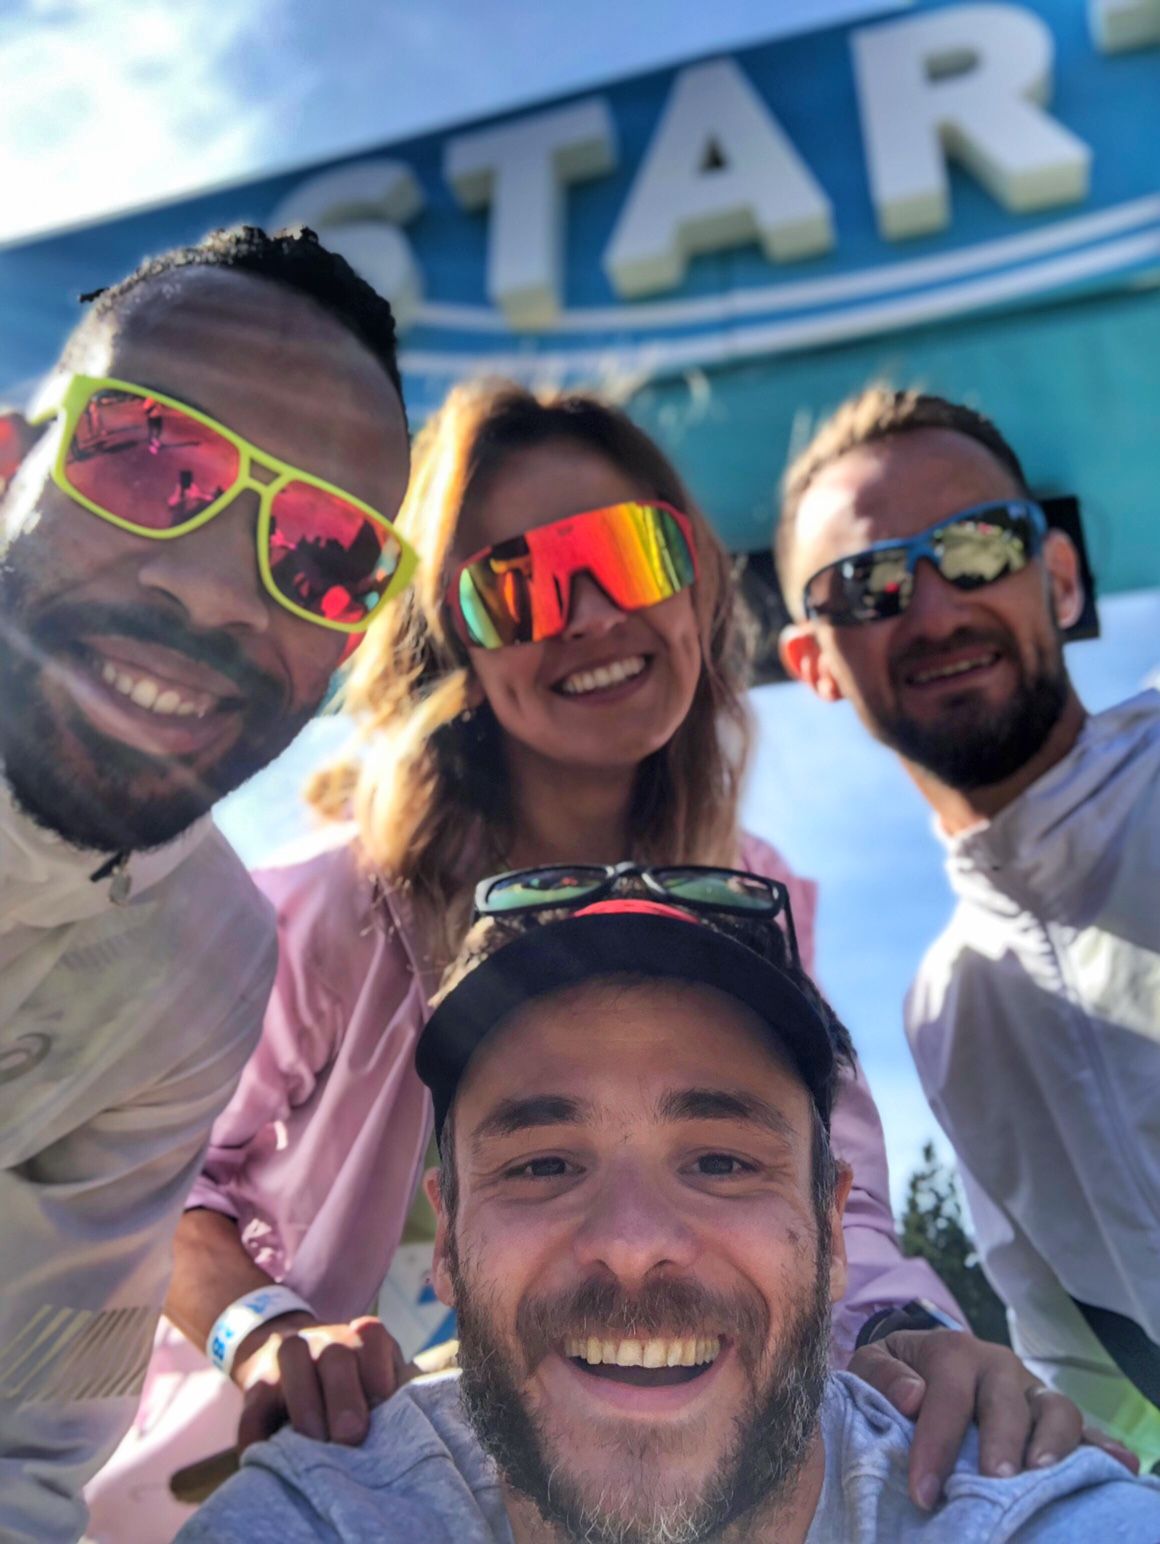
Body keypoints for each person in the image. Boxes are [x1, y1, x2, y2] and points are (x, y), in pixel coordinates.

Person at [89, 380, 1100, 1539]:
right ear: (456, 639)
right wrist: (263, 1327)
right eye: (516, 585)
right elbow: (142, 1164)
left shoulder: (749, 896)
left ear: (695, 579)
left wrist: (908, 1339)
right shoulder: (337, 904)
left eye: (627, 553)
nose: (585, 613)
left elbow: (831, 1187)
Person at [175, 876, 1160, 1542]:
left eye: (721, 1160)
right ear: (449, 1240)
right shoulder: (325, 1516)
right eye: (544, 1163)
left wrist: (916, 1335)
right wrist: (258, 1328)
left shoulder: (1026, 1515)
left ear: (830, 1231)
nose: (632, 1243)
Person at [0, 223, 413, 1542]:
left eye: (327, 552)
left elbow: (23, 1443)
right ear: (11, 462)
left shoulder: (209, 963)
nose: (219, 590)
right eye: (146, 456)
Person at [775, 385, 1160, 1468]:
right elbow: (1088, 1368)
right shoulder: (946, 1009)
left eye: (980, 546)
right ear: (813, 663)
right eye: (870, 584)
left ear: (1060, 576)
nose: (938, 609)